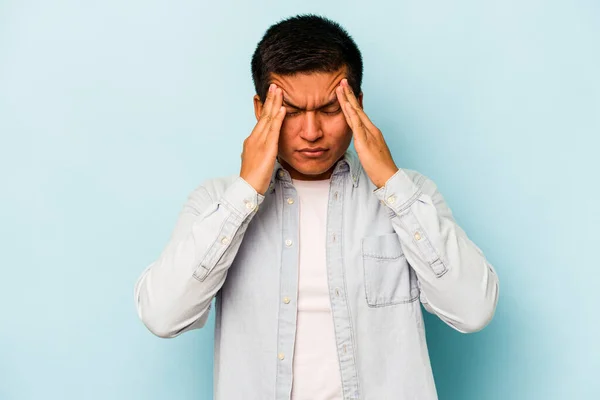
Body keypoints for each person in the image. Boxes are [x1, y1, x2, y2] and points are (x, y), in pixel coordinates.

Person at [134, 14, 499, 400]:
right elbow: (163, 316)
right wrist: (245, 194)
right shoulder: (216, 203)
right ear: (261, 110)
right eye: (290, 112)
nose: (311, 132)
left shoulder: (412, 196)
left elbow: (473, 311)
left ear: (356, 104)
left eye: (330, 109)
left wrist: (391, 183)